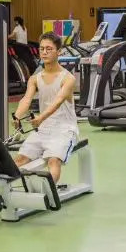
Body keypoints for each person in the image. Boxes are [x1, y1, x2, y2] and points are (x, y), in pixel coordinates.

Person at [12, 31, 78, 183]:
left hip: (64, 130)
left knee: (53, 161)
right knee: (20, 160)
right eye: (42, 49)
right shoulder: (35, 78)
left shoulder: (68, 78)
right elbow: (26, 99)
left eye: (49, 49)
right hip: (42, 130)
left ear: (59, 52)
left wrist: (41, 117)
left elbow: (58, 101)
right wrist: (17, 116)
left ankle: (49, 193)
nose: (44, 52)